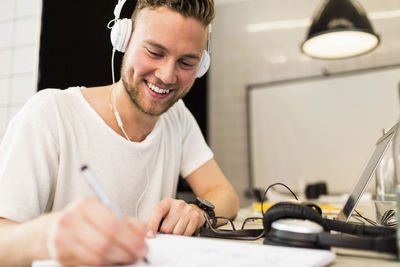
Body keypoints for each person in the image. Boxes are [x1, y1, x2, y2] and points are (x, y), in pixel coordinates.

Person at [0, 0, 239, 266]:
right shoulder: (50, 114)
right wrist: (46, 237)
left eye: (186, 62)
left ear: (202, 64)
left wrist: (198, 211)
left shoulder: (177, 117)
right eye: (154, 52)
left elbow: (225, 194)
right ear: (123, 38)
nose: (167, 75)